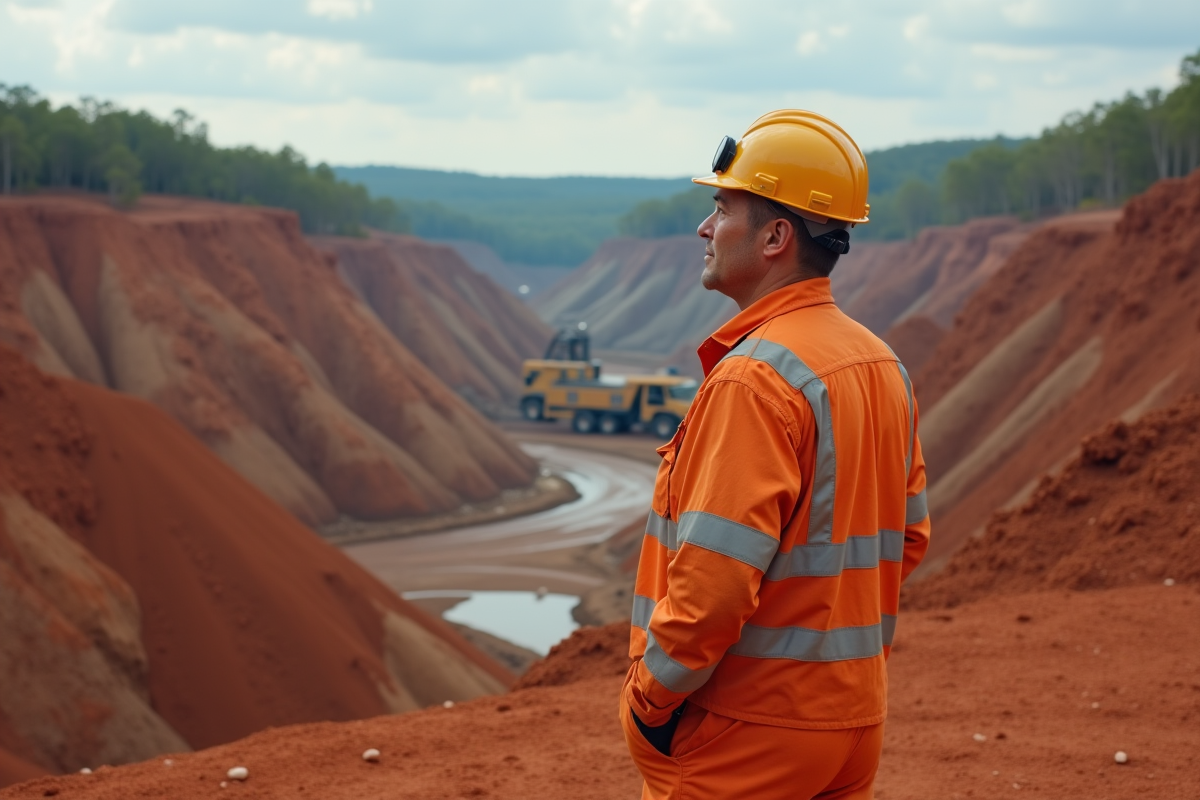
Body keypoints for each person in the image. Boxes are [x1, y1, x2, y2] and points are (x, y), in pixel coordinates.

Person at [620, 109, 931, 800]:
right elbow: (907, 539)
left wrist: (648, 697)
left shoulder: (755, 378)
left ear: (775, 237)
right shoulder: (880, 364)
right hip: (851, 723)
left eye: (722, 206)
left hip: (745, 731)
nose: (706, 227)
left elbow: (713, 588)